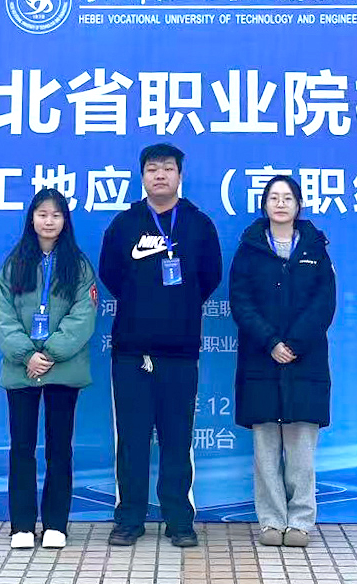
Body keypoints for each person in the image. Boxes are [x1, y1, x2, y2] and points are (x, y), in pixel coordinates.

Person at [99, 143, 222, 548]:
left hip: (180, 351)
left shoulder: (198, 224)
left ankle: (179, 521)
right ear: (143, 176)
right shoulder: (124, 224)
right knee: (131, 441)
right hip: (131, 352)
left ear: (179, 176)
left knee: (177, 440)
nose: (160, 175)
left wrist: (178, 308)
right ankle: (129, 519)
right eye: (152, 169)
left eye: (168, 168)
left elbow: (210, 277)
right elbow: (111, 274)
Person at [228, 175, 336, 548]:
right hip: (261, 359)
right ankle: (271, 521)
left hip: (306, 362)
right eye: (273, 197)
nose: (280, 203)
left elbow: (324, 303)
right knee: (266, 449)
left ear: (298, 205)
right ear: (264, 205)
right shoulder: (250, 248)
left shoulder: (316, 248)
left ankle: (301, 522)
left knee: (302, 449)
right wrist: (271, 342)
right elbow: (241, 301)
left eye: (287, 197)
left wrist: (295, 343)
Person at [0, 188, 99, 550]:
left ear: (65, 220)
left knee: (59, 448)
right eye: (42, 214)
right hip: (22, 369)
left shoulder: (78, 265)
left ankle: (56, 524)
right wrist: (27, 355)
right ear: (32, 219)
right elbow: (3, 316)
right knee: (22, 448)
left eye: (56, 215)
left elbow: (83, 315)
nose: (49, 221)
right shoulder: (14, 263)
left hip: (63, 369)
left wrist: (51, 352)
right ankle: (21, 525)